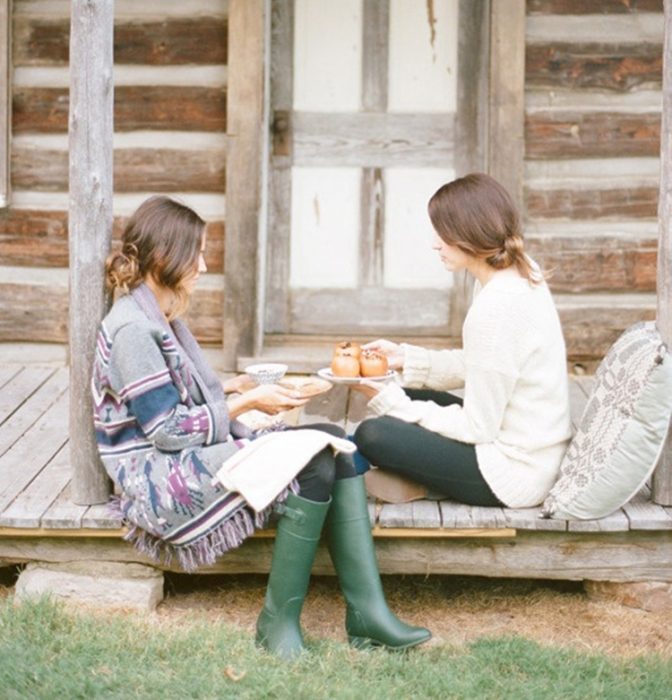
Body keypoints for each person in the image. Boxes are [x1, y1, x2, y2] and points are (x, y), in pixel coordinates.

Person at [91, 195, 430, 661]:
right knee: (312, 458)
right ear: (165, 257)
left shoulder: (156, 314)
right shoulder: (134, 329)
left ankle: (369, 616)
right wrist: (248, 400)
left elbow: (172, 400)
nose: (205, 266)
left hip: (177, 454)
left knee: (334, 440)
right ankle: (277, 625)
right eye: (198, 254)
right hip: (156, 476)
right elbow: (166, 430)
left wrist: (235, 386)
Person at [353, 173, 572, 509]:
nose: (435, 244)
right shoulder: (515, 271)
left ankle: (420, 482)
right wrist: (404, 359)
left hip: (514, 475)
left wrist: (390, 403)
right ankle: (420, 481)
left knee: (375, 433)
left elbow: (478, 428)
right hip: (532, 450)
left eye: (443, 233)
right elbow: (482, 363)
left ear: (469, 234)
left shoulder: (497, 307)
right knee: (407, 395)